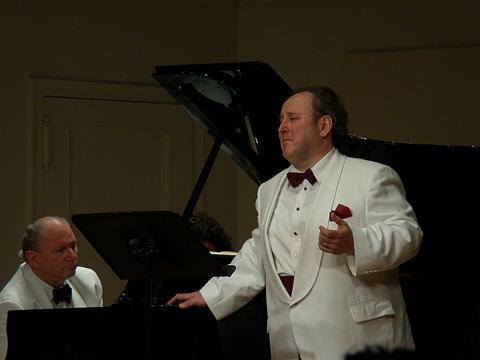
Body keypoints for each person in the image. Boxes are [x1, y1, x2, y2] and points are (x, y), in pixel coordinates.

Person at [168, 86, 423, 360]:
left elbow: (407, 235)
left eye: (292, 118)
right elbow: (258, 254)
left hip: (355, 338)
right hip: (289, 341)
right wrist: (209, 294)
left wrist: (355, 242)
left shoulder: (371, 176)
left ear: (324, 125)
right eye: (280, 120)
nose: (281, 128)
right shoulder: (269, 189)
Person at [0, 216, 103, 359]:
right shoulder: (12, 305)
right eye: (61, 250)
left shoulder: (89, 281)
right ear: (33, 258)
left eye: (73, 246)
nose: (72, 256)